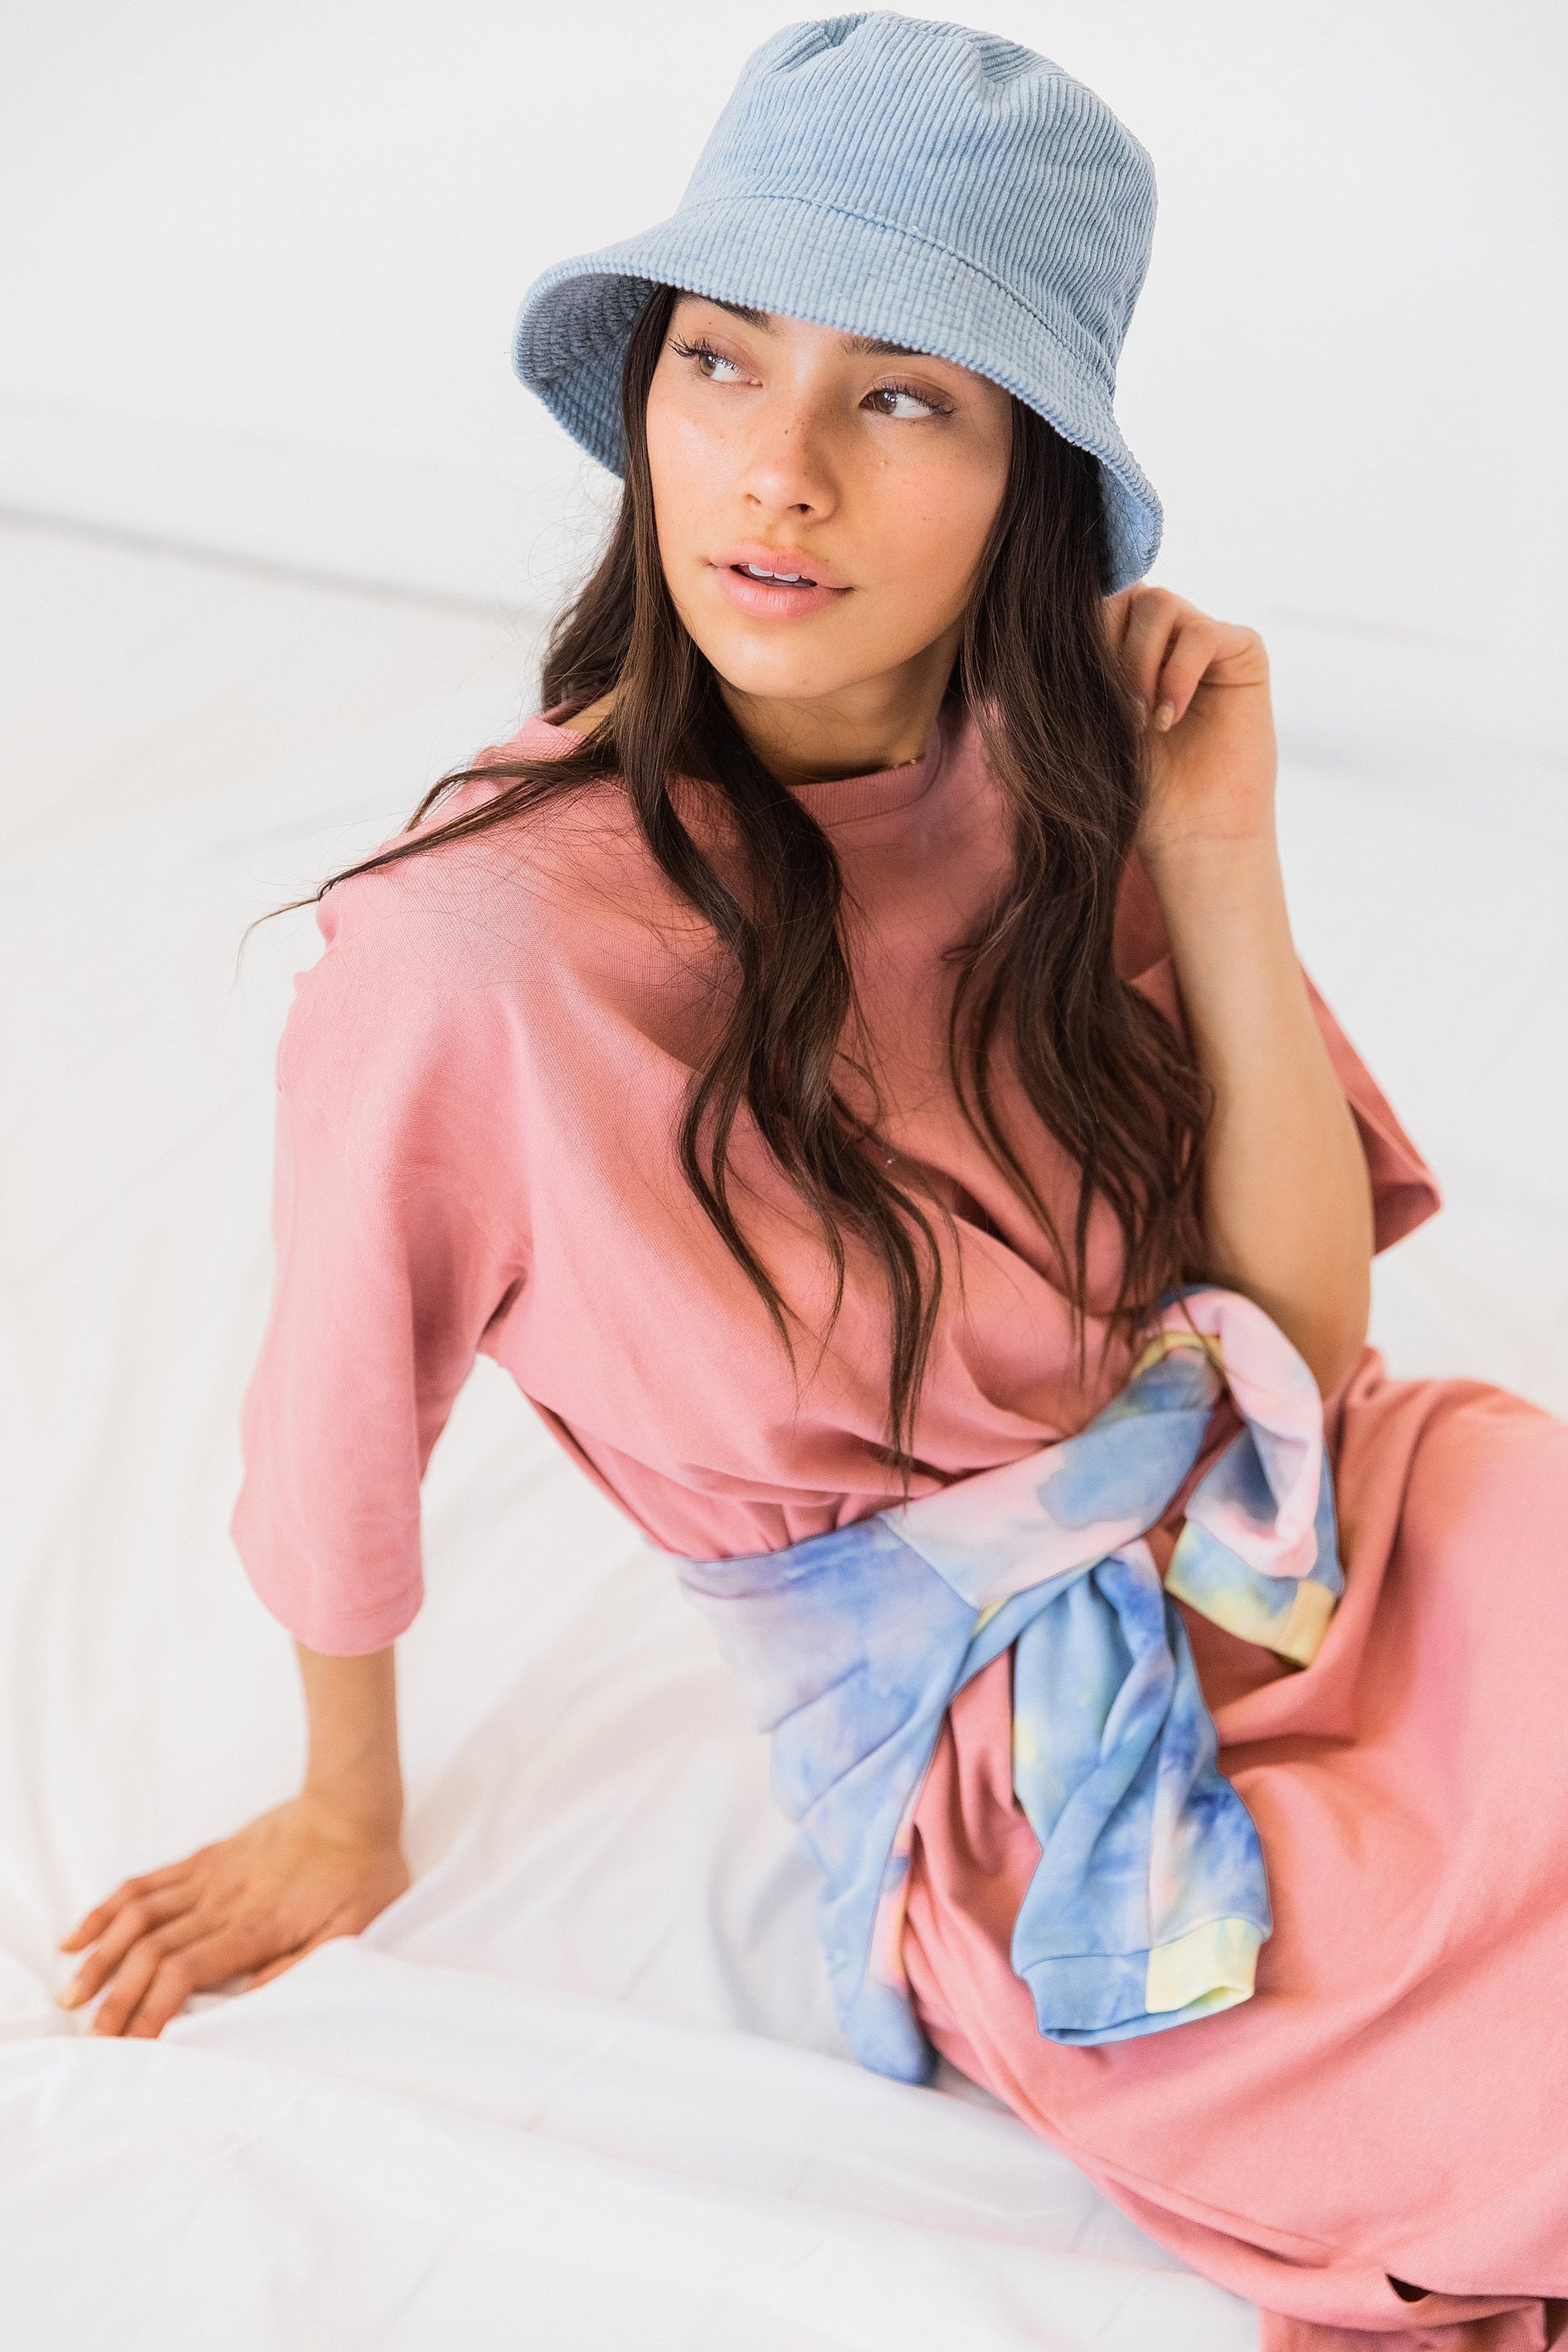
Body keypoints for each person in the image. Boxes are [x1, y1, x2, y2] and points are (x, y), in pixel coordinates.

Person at [56, 18, 1568, 2350]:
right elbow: (337, 1416)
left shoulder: (1062, 772)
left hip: (1346, 1531)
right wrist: (345, 1809)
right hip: (1026, 1763)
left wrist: (1214, 851)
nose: (779, 470)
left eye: (903, 398)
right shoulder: (481, 952)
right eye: (722, 361)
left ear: (1026, 479)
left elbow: (1300, 1343)